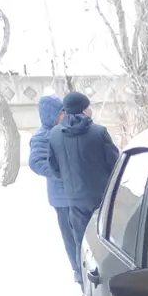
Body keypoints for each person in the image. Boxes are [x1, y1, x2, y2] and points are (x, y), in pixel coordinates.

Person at [47, 91, 120, 285]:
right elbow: (115, 164)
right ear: (85, 109)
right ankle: (112, 281)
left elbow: (53, 167)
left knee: (82, 244)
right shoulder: (99, 132)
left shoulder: (55, 134)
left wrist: (70, 181)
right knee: (107, 240)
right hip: (102, 198)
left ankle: (85, 284)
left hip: (74, 199)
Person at [27, 95, 81, 280]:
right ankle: (78, 271)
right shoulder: (42, 137)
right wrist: (61, 173)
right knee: (71, 237)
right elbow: (36, 162)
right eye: (61, 112)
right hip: (62, 198)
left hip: (77, 193)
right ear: (51, 114)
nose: (64, 115)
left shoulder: (65, 130)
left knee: (83, 234)